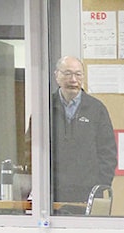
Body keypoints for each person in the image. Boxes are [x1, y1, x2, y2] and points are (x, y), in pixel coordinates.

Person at [50, 56, 117, 208]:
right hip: (53, 192)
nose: (73, 80)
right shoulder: (45, 106)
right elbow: (31, 148)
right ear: (56, 76)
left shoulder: (96, 109)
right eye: (67, 73)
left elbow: (108, 152)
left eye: (78, 74)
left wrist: (101, 186)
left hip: (88, 192)